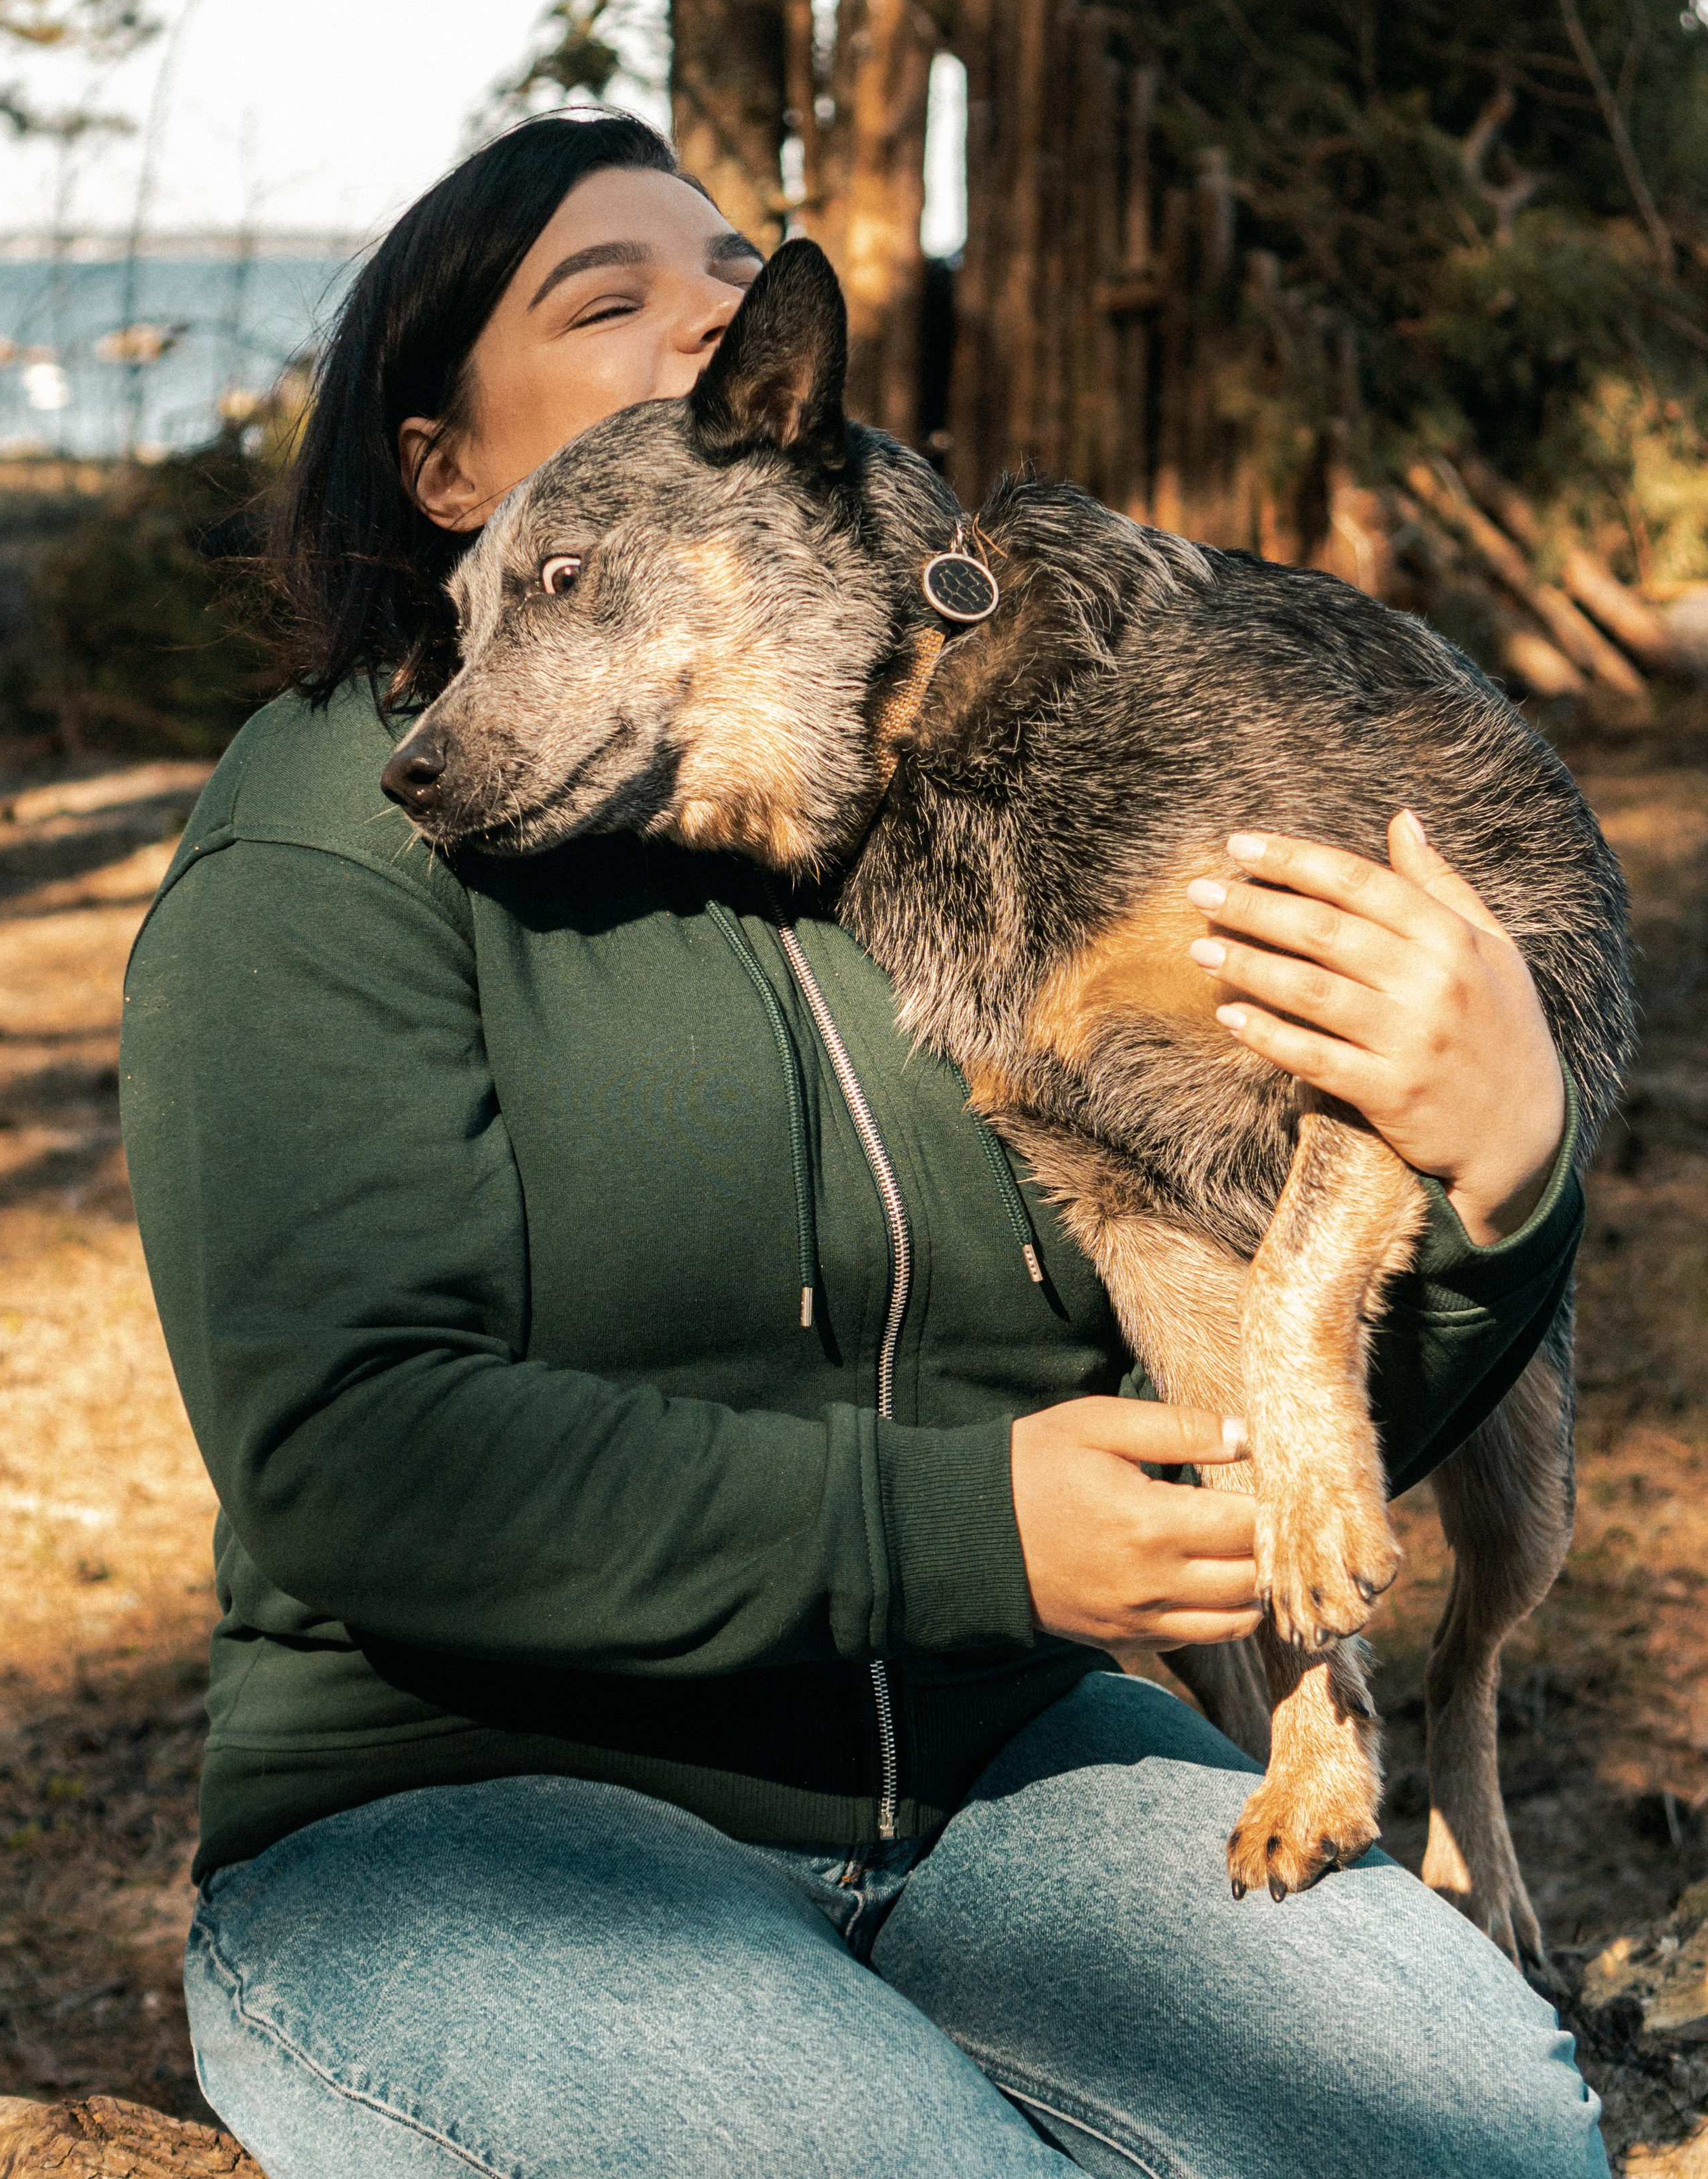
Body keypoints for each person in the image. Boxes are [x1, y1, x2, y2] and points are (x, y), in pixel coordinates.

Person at [121, 110, 1606, 2178]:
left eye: (729, 279)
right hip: (474, 1824)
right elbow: (352, 1450)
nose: (707, 312)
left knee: (1485, 2149)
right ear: (447, 467)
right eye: (607, 296)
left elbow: (1300, 1430)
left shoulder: (923, 825)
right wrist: (970, 1534)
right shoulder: (317, 843)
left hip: (1014, 1768)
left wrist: (1509, 1167)